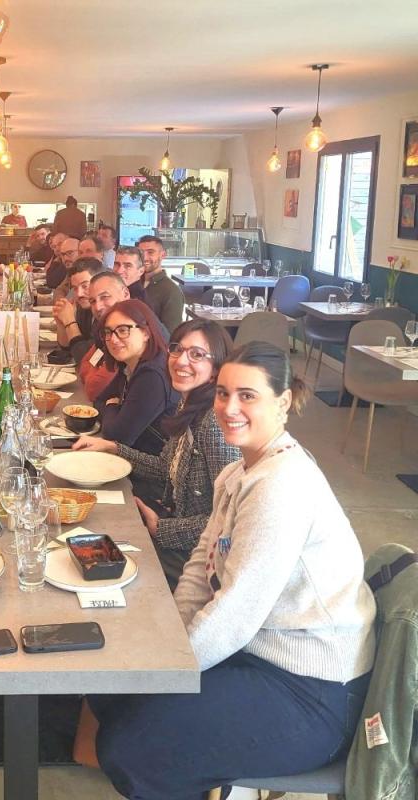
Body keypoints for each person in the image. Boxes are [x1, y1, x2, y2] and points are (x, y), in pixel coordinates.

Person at [90, 342, 375, 800]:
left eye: (248, 396)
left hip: (312, 691)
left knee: (130, 748)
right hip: (258, 656)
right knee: (110, 688)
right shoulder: (239, 474)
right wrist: (169, 648)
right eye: (223, 394)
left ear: (283, 402)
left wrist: (165, 672)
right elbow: (200, 573)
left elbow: (235, 614)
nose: (229, 407)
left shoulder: (281, 487)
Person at [74, 319, 240, 587]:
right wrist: (114, 448)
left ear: (217, 369)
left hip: (196, 555)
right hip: (170, 523)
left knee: (100, 566)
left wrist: (161, 528)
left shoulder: (215, 424)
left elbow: (230, 519)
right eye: (178, 349)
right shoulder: (189, 403)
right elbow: (165, 468)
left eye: (197, 354)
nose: (181, 360)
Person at [95, 299, 178, 453]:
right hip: (131, 456)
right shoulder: (129, 364)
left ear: (146, 333)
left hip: (150, 464)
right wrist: (116, 412)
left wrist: (112, 406)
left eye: (123, 330)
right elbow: (98, 401)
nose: (113, 339)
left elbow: (117, 437)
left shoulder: (152, 376)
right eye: (108, 332)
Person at [77, 271, 129, 400]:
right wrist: (92, 375)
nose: (98, 307)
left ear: (125, 294)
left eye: (105, 297)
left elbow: (92, 389)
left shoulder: (129, 330)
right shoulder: (104, 328)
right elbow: (83, 368)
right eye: (92, 301)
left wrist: (91, 375)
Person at [53, 258, 101, 359]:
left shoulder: (106, 313)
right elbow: (67, 348)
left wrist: (70, 322)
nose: (79, 294)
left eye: (85, 286)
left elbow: (85, 356)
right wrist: (61, 323)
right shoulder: (83, 307)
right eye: (75, 288)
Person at [139, 235, 185, 335]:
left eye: (150, 252)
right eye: (141, 253)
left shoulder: (172, 291)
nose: (144, 258)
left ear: (163, 255)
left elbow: (171, 334)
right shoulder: (134, 282)